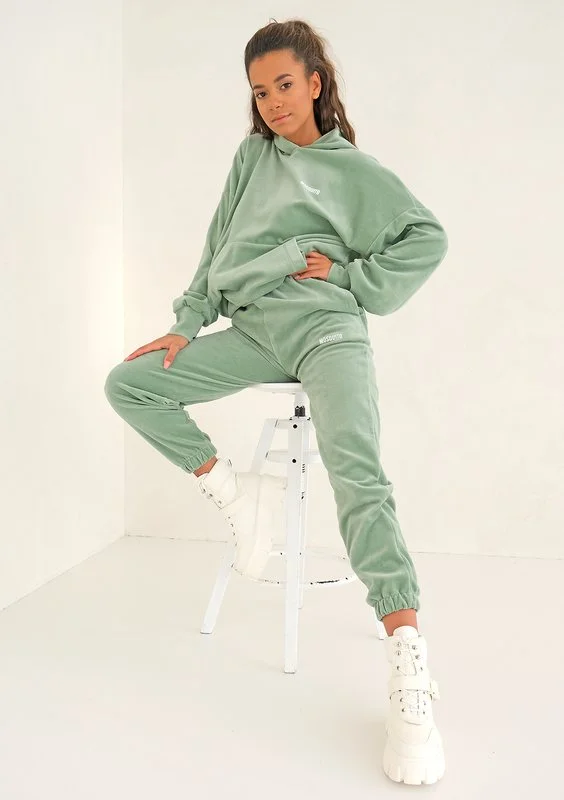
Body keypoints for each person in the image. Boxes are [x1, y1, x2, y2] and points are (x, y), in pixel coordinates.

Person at [104, 17, 448, 786]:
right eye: (260, 92)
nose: (272, 102)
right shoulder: (251, 157)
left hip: (327, 331)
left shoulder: (351, 170)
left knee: (358, 474)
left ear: (315, 83)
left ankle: (407, 659)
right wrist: (185, 323)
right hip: (255, 330)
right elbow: (215, 246)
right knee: (130, 384)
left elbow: (426, 237)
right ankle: (240, 495)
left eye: (285, 85)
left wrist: (350, 279)